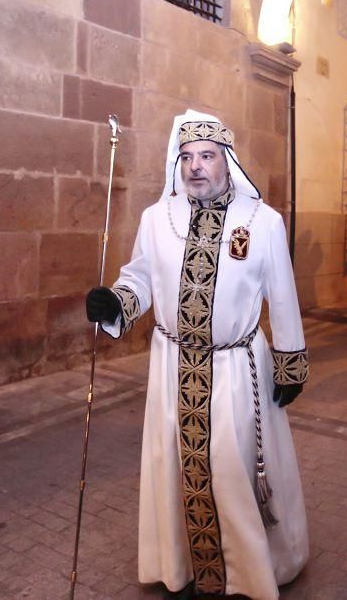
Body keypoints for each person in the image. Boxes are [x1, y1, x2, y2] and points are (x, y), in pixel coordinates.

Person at [84, 111, 309, 599]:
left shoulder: (262, 222)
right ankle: (183, 567)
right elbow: (140, 278)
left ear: (227, 161)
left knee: (231, 469)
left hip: (236, 369)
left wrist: (291, 361)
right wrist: (117, 302)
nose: (195, 167)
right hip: (172, 366)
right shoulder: (156, 218)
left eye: (206, 156)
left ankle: (247, 575)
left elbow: (283, 295)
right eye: (186, 157)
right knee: (173, 465)